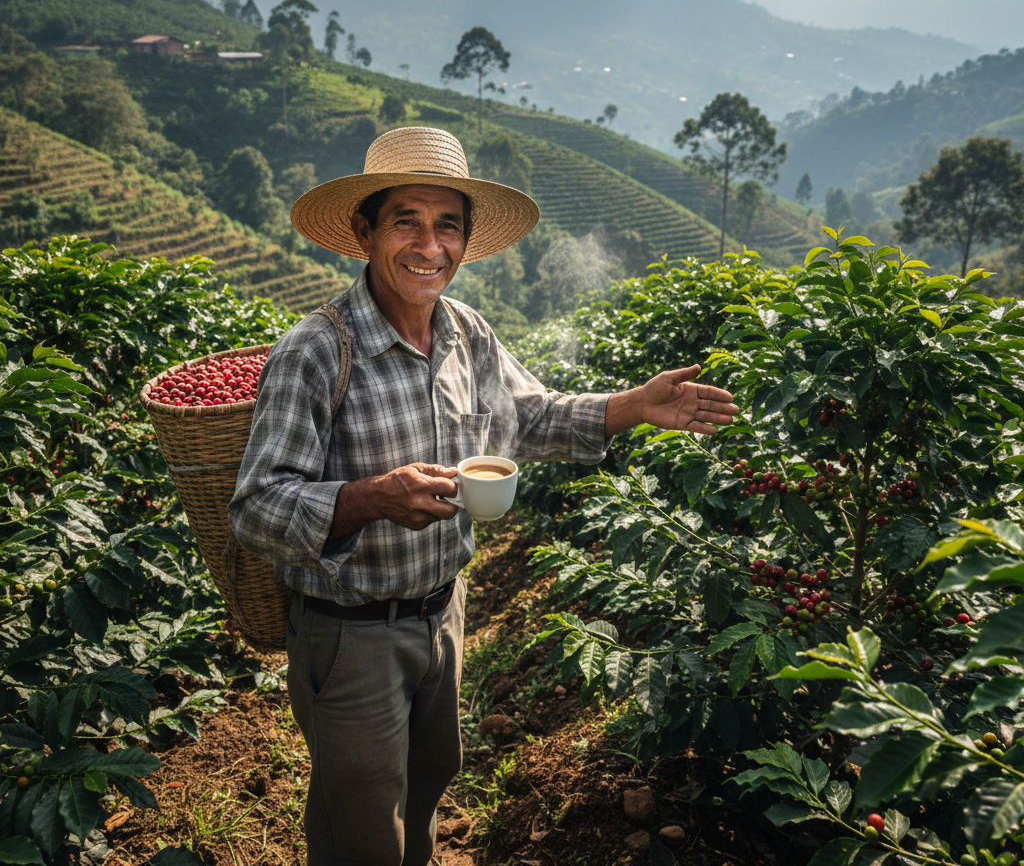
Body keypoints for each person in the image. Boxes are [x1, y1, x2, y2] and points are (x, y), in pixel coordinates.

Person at [228, 126, 738, 866]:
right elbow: (256, 508)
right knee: (361, 832)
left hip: (443, 615)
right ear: (364, 232)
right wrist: (372, 498)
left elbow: (527, 419)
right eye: (405, 221)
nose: (428, 245)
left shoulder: (467, 332)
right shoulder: (316, 351)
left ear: (465, 242)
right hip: (351, 635)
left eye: (448, 226)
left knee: (427, 790)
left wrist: (634, 405)